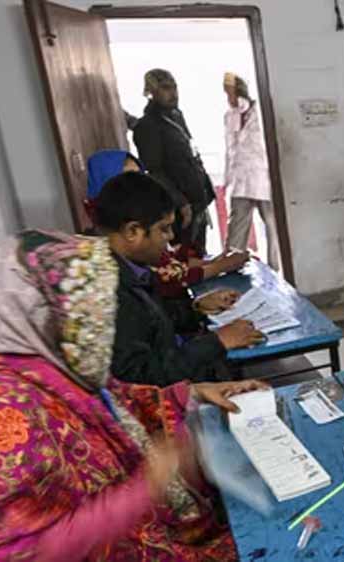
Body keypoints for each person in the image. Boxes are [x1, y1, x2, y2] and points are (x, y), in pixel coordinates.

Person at [0, 229, 268, 560]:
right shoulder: (5, 418)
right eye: (84, 317)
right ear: (40, 314)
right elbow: (7, 553)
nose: (99, 331)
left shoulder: (46, 362)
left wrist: (190, 394)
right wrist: (145, 487)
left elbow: (113, 402)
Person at [94, 171, 265, 386]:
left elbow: (153, 320)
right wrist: (217, 341)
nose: (170, 237)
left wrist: (197, 308)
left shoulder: (129, 268)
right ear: (132, 231)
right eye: (164, 229)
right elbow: (142, 379)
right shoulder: (111, 293)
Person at [85, 150, 248, 313]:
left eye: (141, 175)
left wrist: (196, 306)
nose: (141, 183)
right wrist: (220, 266)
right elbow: (166, 278)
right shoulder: (105, 278)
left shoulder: (139, 238)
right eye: (130, 177)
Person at [133, 69, 216, 255]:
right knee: (183, 259)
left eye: (174, 87)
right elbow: (155, 171)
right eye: (165, 88)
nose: (173, 93)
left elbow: (189, 154)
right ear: (151, 92)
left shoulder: (176, 116)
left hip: (198, 201)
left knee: (200, 256)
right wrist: (181, 203)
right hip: (177, 210)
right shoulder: (147, 126)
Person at [223, 72, 282, 271]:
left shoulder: (260, 112)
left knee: (274, 228)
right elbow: (229, 150)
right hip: (240, 179)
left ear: (239, 90)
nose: (228, 97)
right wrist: (227, 180)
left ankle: (276, 271)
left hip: (263, 177)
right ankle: (232, 269)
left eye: (230, 92)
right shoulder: (229, 116)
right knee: (236, 231)